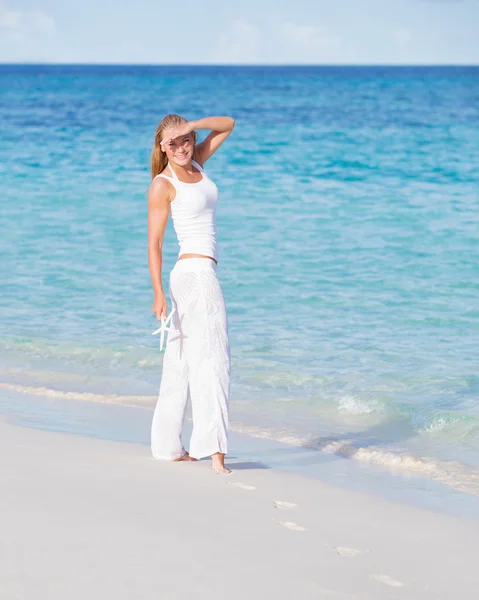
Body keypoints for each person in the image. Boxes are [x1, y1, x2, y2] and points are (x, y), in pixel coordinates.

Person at [148, 114, 235, 474]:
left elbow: (228, 124)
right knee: (213, 356)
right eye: (173, 143)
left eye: (186, 140)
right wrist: (157, 293)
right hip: (195, 274)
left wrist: (186, 126)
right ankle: (215, 454)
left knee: (182, 360)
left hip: (199, 271)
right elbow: (154, 243)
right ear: (161, 147)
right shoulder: (163, 184)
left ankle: (167, 446)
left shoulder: (197, 159)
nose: (182, 148)